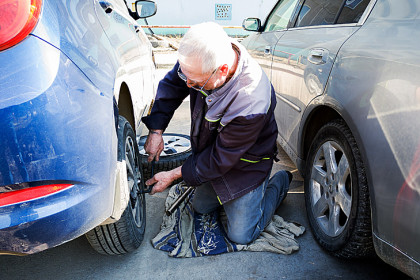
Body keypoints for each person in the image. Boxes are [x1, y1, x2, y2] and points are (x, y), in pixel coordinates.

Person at [142, 22, 291, 245]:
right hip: (213, 155)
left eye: (196, 82)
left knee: (241, 235)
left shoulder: (251, 101)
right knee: (200, 206)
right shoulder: (199, 58)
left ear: (222, 70)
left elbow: (221, 158)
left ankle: (279, 183)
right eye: (187, 78)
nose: (189, 85)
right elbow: (173, 84)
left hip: (246, 165)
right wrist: (156, 130)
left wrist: (173, 174)